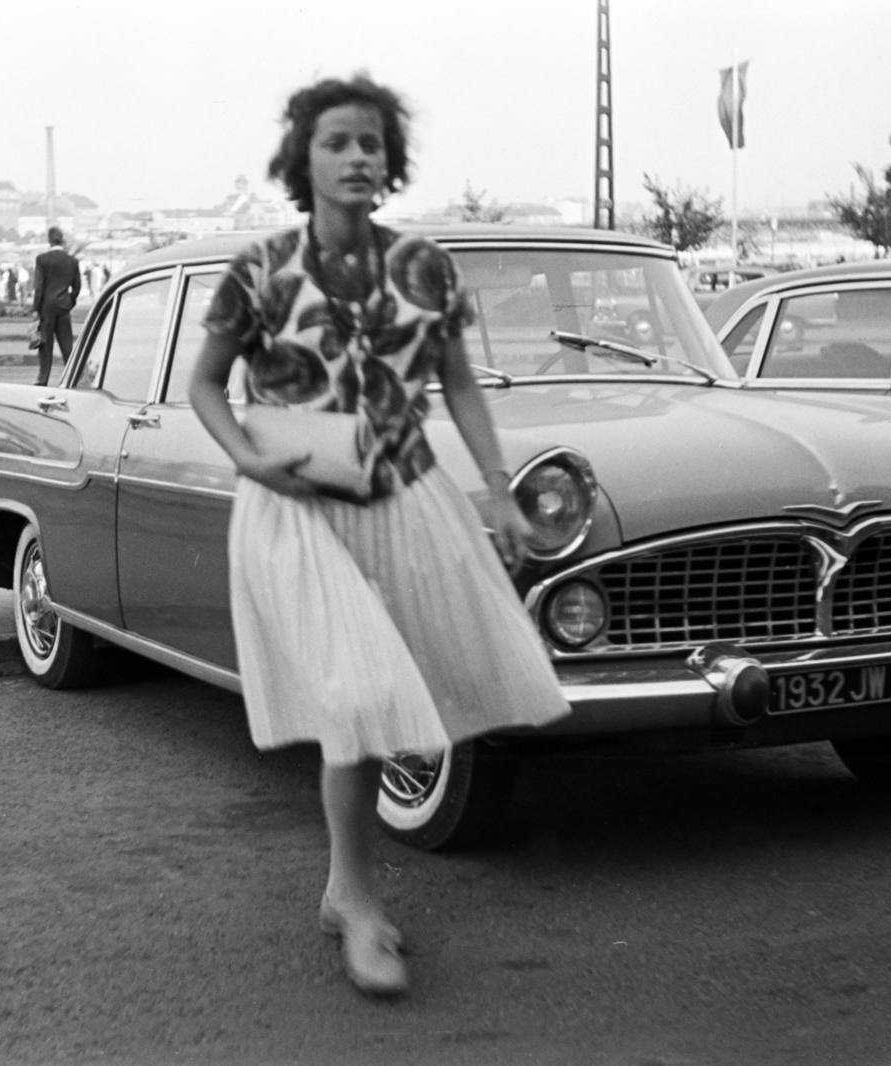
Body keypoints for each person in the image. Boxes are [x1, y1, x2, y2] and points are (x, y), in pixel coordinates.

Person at [187, 75, 570, 998]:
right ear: (302, 161)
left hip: (406, 500)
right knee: (357, 696)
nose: (359, 157)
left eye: (372, 143)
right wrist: (245, 457)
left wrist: (499, 491)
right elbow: (205, 384)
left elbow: (461, 386)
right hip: (294, 508)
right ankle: (359, 903)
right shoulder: (260, 270)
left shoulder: (428, 266)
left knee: (401, 702)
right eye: (338, 143)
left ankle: (340, 886)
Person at [30, 227, 80, 386]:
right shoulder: (72, 261)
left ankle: (43, 378)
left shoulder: (42, 259)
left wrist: (35, 309)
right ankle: (71, 377)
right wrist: (69, 302)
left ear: (49, 240)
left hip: (46, 307)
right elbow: (77, 287)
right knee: (66, 345)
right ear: (62, 240)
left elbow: (39, 287)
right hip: (63, 307)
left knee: (45, 345)